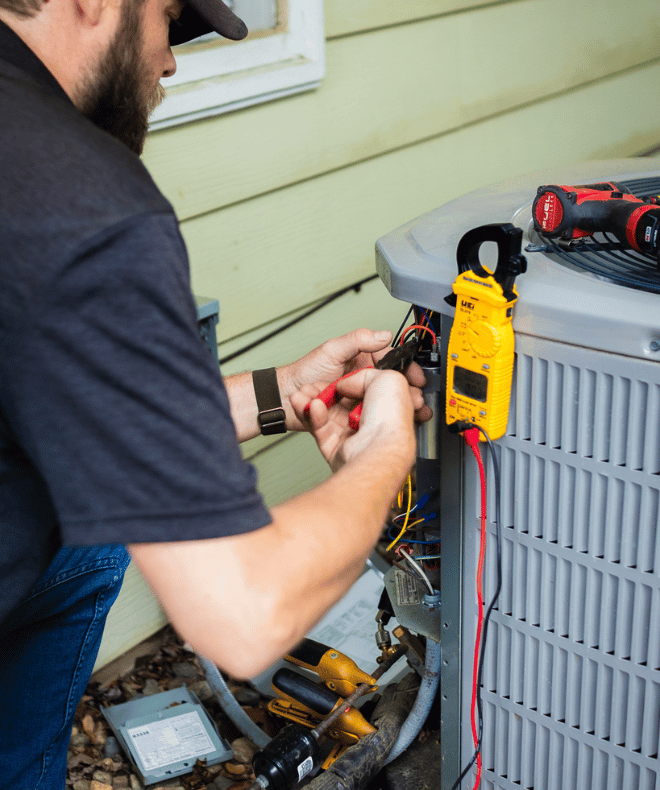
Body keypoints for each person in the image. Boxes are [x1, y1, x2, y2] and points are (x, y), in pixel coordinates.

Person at [0, 0, 429, 786]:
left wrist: (285, 392)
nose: (168, 61)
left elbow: (84, 393)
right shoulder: (78, 199)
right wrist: (389, 453)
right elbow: (244, 612)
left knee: (98, 529)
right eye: (168, 18)